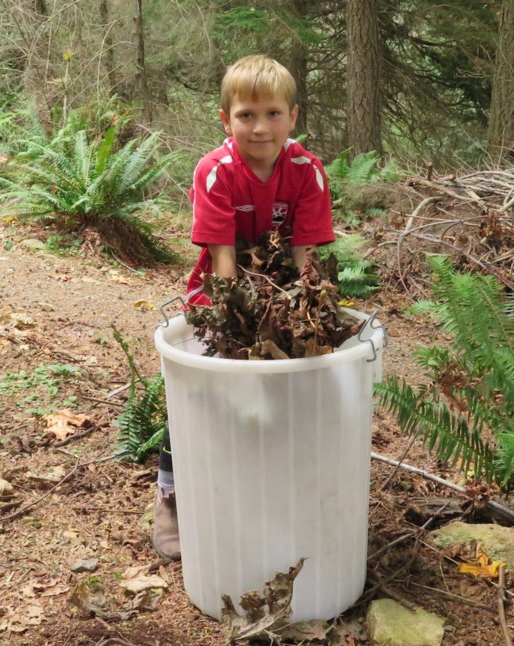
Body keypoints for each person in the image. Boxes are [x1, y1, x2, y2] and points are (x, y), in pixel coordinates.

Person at [152, 54, 335, 560]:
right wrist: (236, 324)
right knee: (203, 388)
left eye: (273, 114)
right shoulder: (216, 171)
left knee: (288, 391)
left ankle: (273, 489)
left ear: (293, 117)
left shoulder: (305, 170)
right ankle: (171, 493)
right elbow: (222, 256)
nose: (261, 127)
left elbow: (306, 252)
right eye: (247, 116)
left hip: (282, 290)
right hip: (222, 292)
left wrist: (308, 306)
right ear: (226, 119)